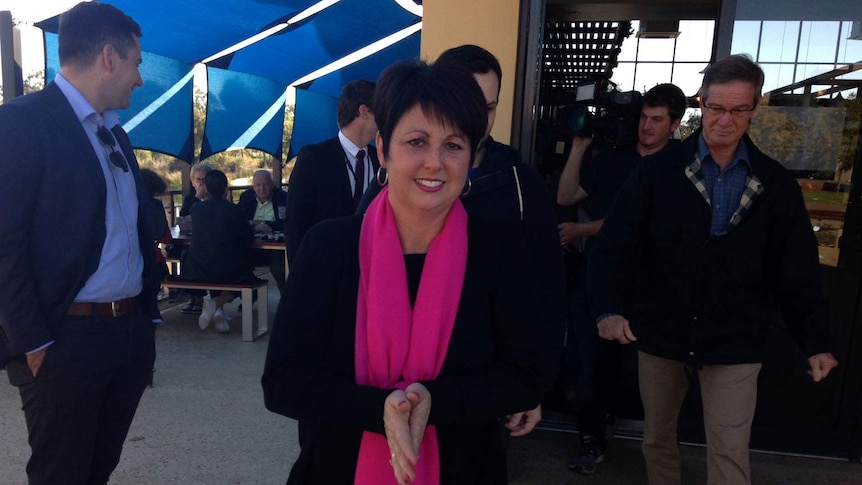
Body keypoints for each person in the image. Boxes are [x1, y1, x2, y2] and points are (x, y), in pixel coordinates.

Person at [262, 60, 562, 484]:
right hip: (337, 467)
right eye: (417, 142)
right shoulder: (330, 247)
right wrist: (378, 408)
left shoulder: (500, 248)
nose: (435, 163)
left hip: (465, 468)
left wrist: (433, 401)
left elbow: (528, 373)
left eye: (454, 145)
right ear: (383, 149)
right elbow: (282, 381)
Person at [588, 54, 838, 485]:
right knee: (657, 440)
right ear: (702, 103)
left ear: (754, 107)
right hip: (661, 331)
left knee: (729, 451)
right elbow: (615, 246)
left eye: (739, 109)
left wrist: (814, 340)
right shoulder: (656, 172)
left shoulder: (775, 184)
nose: (726, 119)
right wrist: (608, 308)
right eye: (716, 107)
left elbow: (796, 269)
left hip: (735, 339)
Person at [358, 45, 568, 434]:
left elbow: (548, 290)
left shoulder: (521, 183)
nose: (477, 115)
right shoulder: (380, 195)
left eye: (488, 107)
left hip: (477, 406)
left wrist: (534, 384)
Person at [0, 3, 160, 484]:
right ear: (109, 57)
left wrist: (147, 319)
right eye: (136, 62)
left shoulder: (115, 131)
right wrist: (35, 344)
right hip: (64, 340)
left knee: (97, 470)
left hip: (126, 334)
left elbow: (132, 229)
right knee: (60, 475)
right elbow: (4, 244)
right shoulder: (19, 123)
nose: (140, 78)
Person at [555, 83, 688, 474]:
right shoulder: (612, 160)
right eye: (644, 117)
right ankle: (590, 441)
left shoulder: (678, 169)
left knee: (634, 374)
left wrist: (581, 231)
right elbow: (565, 197)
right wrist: (579, 147)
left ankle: (635, 438)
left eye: (657, 120)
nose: (647, 127)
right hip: (595, 278)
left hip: (648, 287)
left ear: (675, 123)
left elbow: (641, 225)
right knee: (585, 365)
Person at [284, 79, 380, 265]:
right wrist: (301, 277)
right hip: (326, 269)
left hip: (371, 269)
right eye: (383, 111)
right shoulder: (314, 158)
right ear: (364, 112)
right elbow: (295, 224)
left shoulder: (382, 159)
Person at [178, 170, 260, 334]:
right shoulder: (234, 210)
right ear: (226, 189)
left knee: (218, 262)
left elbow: (185, 215)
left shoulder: (196, 209)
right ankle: (218, 301)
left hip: (198, 269)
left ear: (206, 188)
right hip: (228, 270)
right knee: (248, 276)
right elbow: (248, 238)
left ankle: (217, 309)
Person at [237, 169, 288, 289]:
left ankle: (285, 298)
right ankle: (250, 295)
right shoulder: (246, 198)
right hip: (252, 245)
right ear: (253, 187)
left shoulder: (283, 198)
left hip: (276, 247)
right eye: (258, 185)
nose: (262, 188)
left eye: (265, 184)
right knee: (237, 260)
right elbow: (239, 221)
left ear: (272, 185)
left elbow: (286, 222)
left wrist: (268, 225)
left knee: (279, 266)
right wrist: (255, 227)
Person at [177, 163, 213, 313]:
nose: (202, 184)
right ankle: (193, 296)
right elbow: (184, 216)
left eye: (205, 180)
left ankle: (197, 297)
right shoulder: (191, 198)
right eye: (198, 180)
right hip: (193, 240)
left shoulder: (216, 197)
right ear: (193, 182)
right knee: (185, 253)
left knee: (192, 255)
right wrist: (198, 196)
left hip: (211, 243)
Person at [141, 168, 174, 287]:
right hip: (154, 258)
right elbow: (165, 236)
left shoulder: (131, 204)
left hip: (134, 261)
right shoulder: (156, 205)